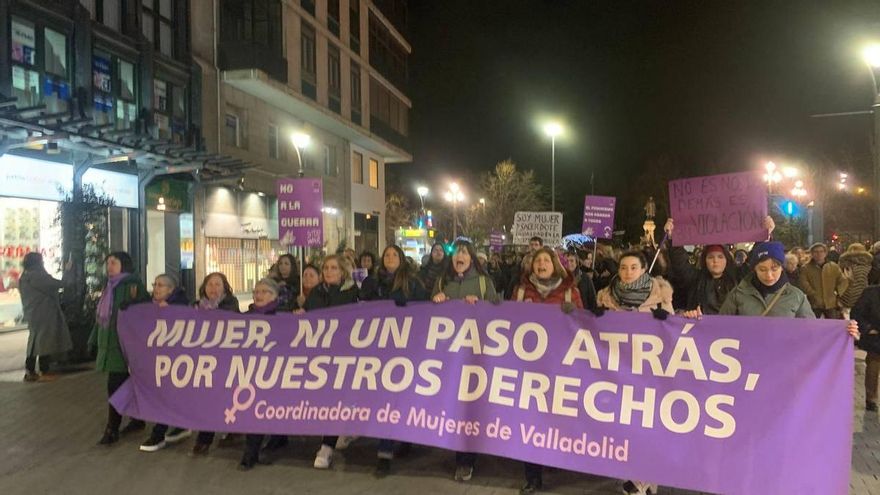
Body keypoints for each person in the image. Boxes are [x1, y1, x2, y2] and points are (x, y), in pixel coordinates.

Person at [594, 250, 672, 495]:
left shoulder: (660, 296)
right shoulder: (606, 297)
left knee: (648, 428)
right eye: (623, 267)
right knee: (626, 428)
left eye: (633, 267)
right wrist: (593, 319)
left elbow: (674, 336)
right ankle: (636, 478)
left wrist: (667, 320)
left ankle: (643, 482)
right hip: (618, 372)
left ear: (643, 269)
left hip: (650, 374)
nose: (628, 272)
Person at [513, 248, 585, 494]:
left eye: (546, 260)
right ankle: (532, 477)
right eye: (537, 260)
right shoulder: (521, 292)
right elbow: (508, 322)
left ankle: (553, 457)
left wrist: (575, 313)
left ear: (555, 265)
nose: (541, 264)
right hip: (528, 367)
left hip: (558, 368)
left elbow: (582, 328)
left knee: (554, 419)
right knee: (530, 419)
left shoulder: (570, 292)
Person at [432, 239, 501, 482]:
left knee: (470, 408)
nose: (459, 256)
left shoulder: (483, 282)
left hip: (475, 356)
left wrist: (481, 305)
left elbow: (498, 311)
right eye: (455, 253)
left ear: (471, 258)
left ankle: (466, 460)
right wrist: (437, 301)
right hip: (449, 357)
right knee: (453, 406)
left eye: (463, 253)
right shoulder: (443, 282)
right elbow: (429, 317)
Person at [359, 245, 429, 476]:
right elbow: (360, 308)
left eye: (394, 255)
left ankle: (397, 443)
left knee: (399, 397)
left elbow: (423, 311)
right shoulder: (371, 282)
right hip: (378, 348)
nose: (390, 258)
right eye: (386, 255)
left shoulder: (413, 283)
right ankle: (385, 451)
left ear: (401, 259)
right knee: (383, 399)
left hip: (405, 348)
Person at [89, 252, 149, 445]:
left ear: (124, 265)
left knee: (114, 387)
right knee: (123, 385)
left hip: (123, 347)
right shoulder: (109, 287)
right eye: (108, 263)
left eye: (114, 263)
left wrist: (134, 304)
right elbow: (102, 318)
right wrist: (94, 341)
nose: (109, 266)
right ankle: (136, 420)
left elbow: (146, 310)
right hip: (109, 345)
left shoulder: (132, 286)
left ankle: (112, 429)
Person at [307, 255, 360, 470]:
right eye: (326, 268)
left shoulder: (352, 293)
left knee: (338, 399)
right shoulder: (316, 293)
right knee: (327, 400)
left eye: (334, 268)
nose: (329, 271)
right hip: (320, 355)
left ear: (342, 272)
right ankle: (334, 437)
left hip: (345, 354)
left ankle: (327, 445)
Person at [190, 272, 241, 456]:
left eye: (217, 284)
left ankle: (234, 430)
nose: (213, 288)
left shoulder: (231, 305)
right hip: (205, 362)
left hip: (227, 361)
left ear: (225, 287)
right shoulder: (195, 307)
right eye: (210, 284)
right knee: (209, 400)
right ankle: (204, 439)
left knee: (229, 398)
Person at [139, 274, 191, 452]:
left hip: (176, 360)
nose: (156, 288)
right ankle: (181, 425)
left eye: (160, 285)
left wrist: (170, 312)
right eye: (154, 284)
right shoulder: (152, 306)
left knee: (165, 396)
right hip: (159, 360)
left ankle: (158, 434)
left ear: (171, 289)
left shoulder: (180, 306)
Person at [238, 278, 285, 471]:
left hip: (278, 372)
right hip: (252, 372)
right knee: (254, 409)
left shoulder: (285, 316)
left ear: (275, 296)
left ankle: (278, 438)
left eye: (265, 291)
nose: (259, 295)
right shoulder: (243, 317)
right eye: (256, 291)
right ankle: (251, 450)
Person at [664, 218, 739, 317]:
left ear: (727, 260)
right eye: (710, 257)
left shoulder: (737, 280)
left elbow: (755, 265)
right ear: (705, 261)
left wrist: (760, 235)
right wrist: (673, 237)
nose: (715, 260)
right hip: (698, 324)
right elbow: (680, 263)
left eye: (720, 257)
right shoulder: (696, 278)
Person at [19, 252, 72, 382]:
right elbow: (61, 284)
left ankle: (30, 370)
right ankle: (44, 370)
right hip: (45, 313)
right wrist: (67, 270)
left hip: (33, 313)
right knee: (45, 342)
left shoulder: (25, 276)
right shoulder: (38, 275)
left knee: (35, 341)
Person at [800, 242, 848, 319]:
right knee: (812, 324)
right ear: (812, 253)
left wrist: (838, 292)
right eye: (816, 252)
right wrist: (812, 294)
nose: (819, 254)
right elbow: (804, 283)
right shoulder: (805, 268)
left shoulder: (833, 266)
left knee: (832, 324)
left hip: (831, 303)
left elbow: (843, 280)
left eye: (821, 251)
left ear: (825, 253)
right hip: (813, 303)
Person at [851, 285, 880, 412]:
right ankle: (871, 399)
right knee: (873, 365)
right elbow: (856, 313)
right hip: (875, 338)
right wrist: (868, 329)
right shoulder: (871, 293)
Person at [838, 243, 873, 318]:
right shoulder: (869, 264)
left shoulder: (844, 264)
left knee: (847, 320)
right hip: (864, 295)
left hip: (845, 295)